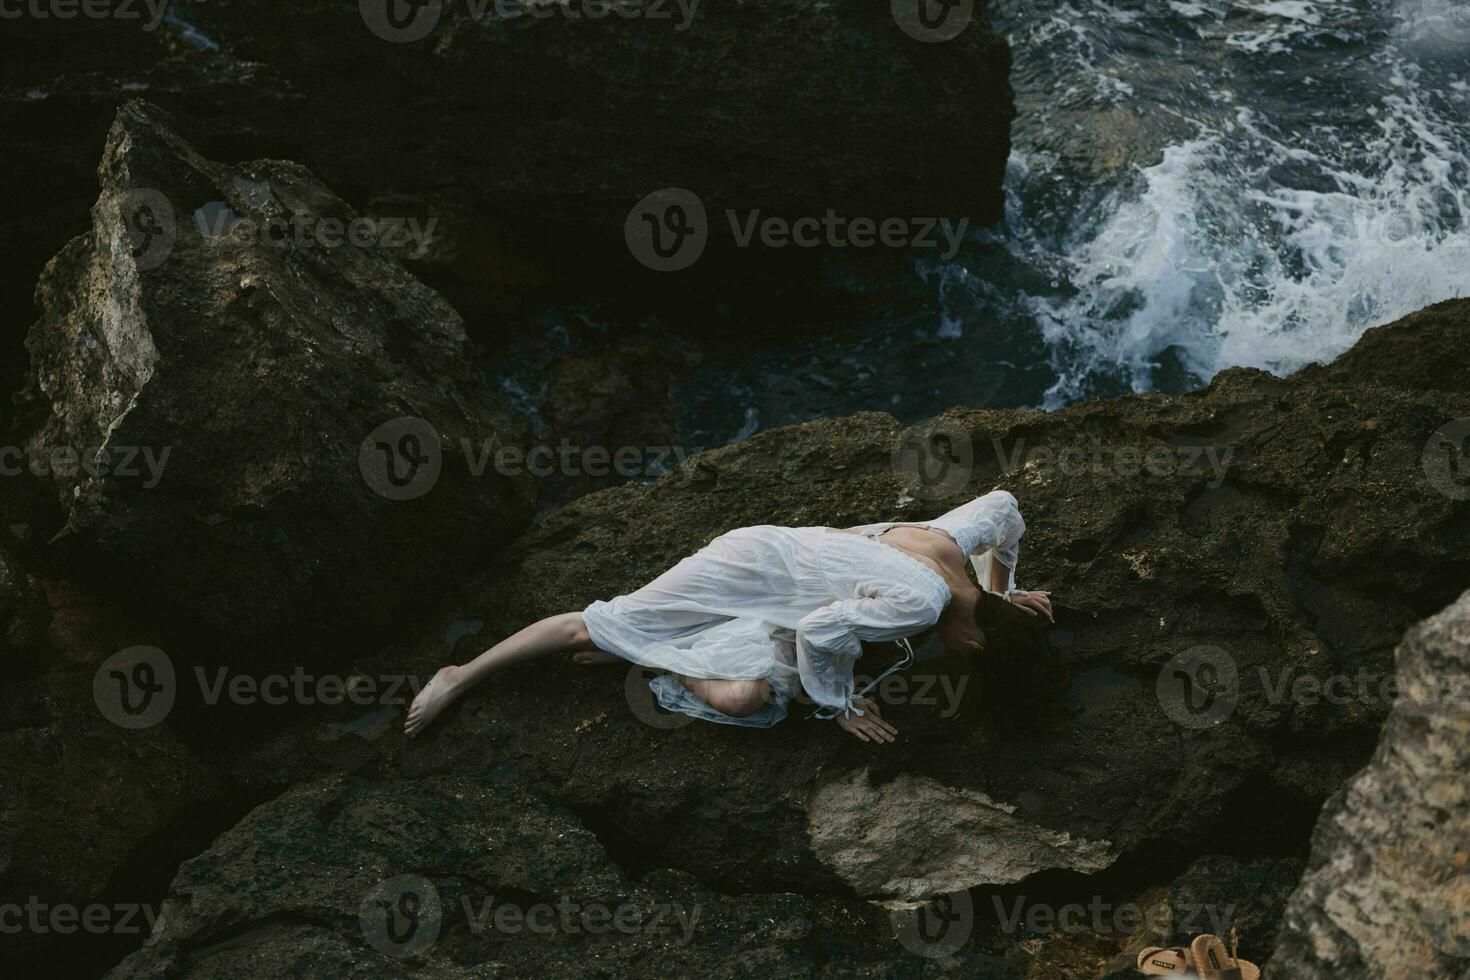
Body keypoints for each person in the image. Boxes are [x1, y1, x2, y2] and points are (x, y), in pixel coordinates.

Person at [405, 489, 1053, 742]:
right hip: (752, 563)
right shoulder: (924, 604)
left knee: (742, 693)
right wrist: (840, 704)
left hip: (796, 571)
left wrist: (1007, 585)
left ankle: (650, 646)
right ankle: (460, 675)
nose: (956, 652)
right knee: (593, 624)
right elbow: (820, 631)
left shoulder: (950, 545)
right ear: (976, 638)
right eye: (967, 651)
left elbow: (1004, 507)